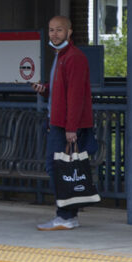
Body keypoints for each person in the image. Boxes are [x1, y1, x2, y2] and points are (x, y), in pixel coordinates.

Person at [29, 15, 95, 230]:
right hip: (58, 122)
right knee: (62, 168)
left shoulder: (73, 57)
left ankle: (65, 216)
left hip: (65, 126)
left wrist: (71, 128)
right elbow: (62, 91)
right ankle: (68, 215)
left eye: (59, 30)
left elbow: (75, 96)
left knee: (58, 168)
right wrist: (45, 89)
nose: (54, 34)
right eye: (51, 30)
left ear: (69, 32)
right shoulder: (61, 56)